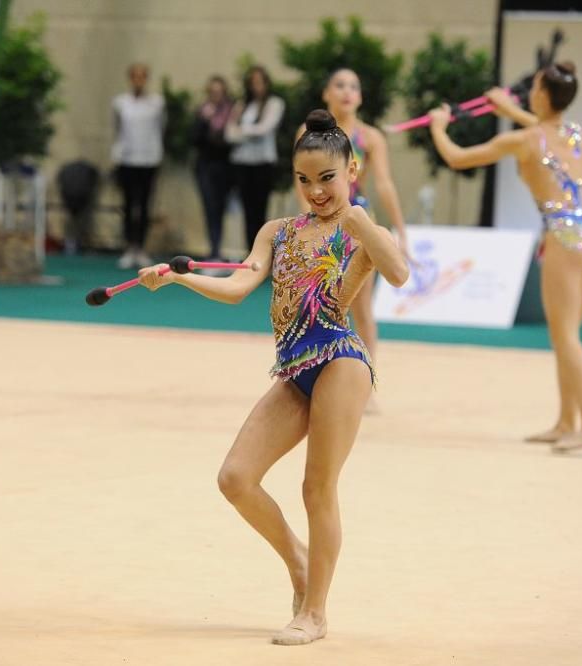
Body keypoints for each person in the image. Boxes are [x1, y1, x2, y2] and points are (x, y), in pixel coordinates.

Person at [138, 110, 409, 644]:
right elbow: (239, 286)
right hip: (294, 370)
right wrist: (177, 278)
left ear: (351, 169)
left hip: (340, 360)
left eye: (328, 178)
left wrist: (363, 224)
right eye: (305, 180)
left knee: (317, 486)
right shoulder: (278, 233)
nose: (316, 191)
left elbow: (399, 273)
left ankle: (315, 612)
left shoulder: (357, 227)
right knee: (235, 478)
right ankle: (300, 564)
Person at [429, 61, 582, 453]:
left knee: (565, 338)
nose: (530, 93)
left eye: (535, 89)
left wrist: (438, 128)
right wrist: (509, 111)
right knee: (568, 339)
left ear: (543, 95)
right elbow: (543, 126)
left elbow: (458, 158)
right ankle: (567, 422)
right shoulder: (575, 133)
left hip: (563, 237)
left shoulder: (523, 141)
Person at [295, 68, 411, 412]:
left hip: (359, 223)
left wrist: (401, 229)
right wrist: (308, 225)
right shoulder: (309, 135)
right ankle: (313, 378)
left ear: (360, 97)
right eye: (340, 85)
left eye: (354, 87)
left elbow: (386, 184)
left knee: (361, 309)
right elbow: (301, 182)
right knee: (317, 305)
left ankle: (366, 385)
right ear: (326, 94)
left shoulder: (371, 137)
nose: (347, 92)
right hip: (321, 222)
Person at [111, 63, 165, 269]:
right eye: (135, 77)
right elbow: (117, 129)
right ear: (130, 79)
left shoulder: (156, 103)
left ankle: (141, 248)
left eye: (142, 77)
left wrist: (157, 155)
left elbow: (160, 128)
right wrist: (117, 154)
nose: (138, 81)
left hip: (149, 160)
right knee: (127, 205)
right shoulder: (120, 102)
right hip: (126, 160)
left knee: (143, 205)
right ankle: (128, 247)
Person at [225, 65, 284, 251]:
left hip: (263, 163)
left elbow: (265, 128)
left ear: (266, 83)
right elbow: (229, 134)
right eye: (252, 83)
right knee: (247, 210)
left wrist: (242, 131)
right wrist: (249, 131)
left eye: (259, 82)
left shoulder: (274, 103)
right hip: (242, 162)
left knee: (260, 209)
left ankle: (263, 252)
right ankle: (250, 251)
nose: (256, 86)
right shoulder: (242, 105)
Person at [191, 75, 235, 262]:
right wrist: (203, 120)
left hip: (225, 167)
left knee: (221, 207)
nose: (216, 95)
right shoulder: (202, 111)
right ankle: (213, 249)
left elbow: (232, 141)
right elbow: (192, 139)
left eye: (219, 92)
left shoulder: (232, 112)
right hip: (205, 166)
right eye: (213, 92)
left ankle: (219, 249)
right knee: (209, 207)